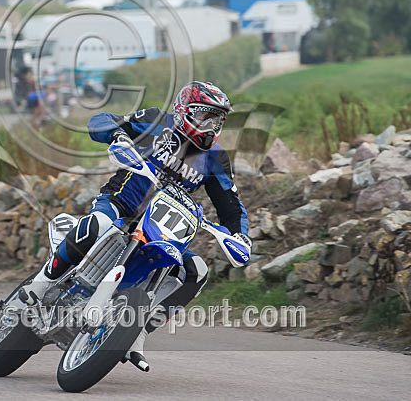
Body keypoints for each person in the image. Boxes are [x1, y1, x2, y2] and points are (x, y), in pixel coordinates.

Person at [19, 81, 251, 372]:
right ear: (184, 110)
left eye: (217, 120)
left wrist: (240, 234)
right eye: (205, 116)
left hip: (161, 228)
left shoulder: (216, 158)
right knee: (100, 223)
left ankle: (138, 331)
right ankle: (42, 284)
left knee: (197, 271)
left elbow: (231, 204)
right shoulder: (157, 121)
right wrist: (117, 134)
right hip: (122, 204)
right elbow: (102, 121)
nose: (210, 126)